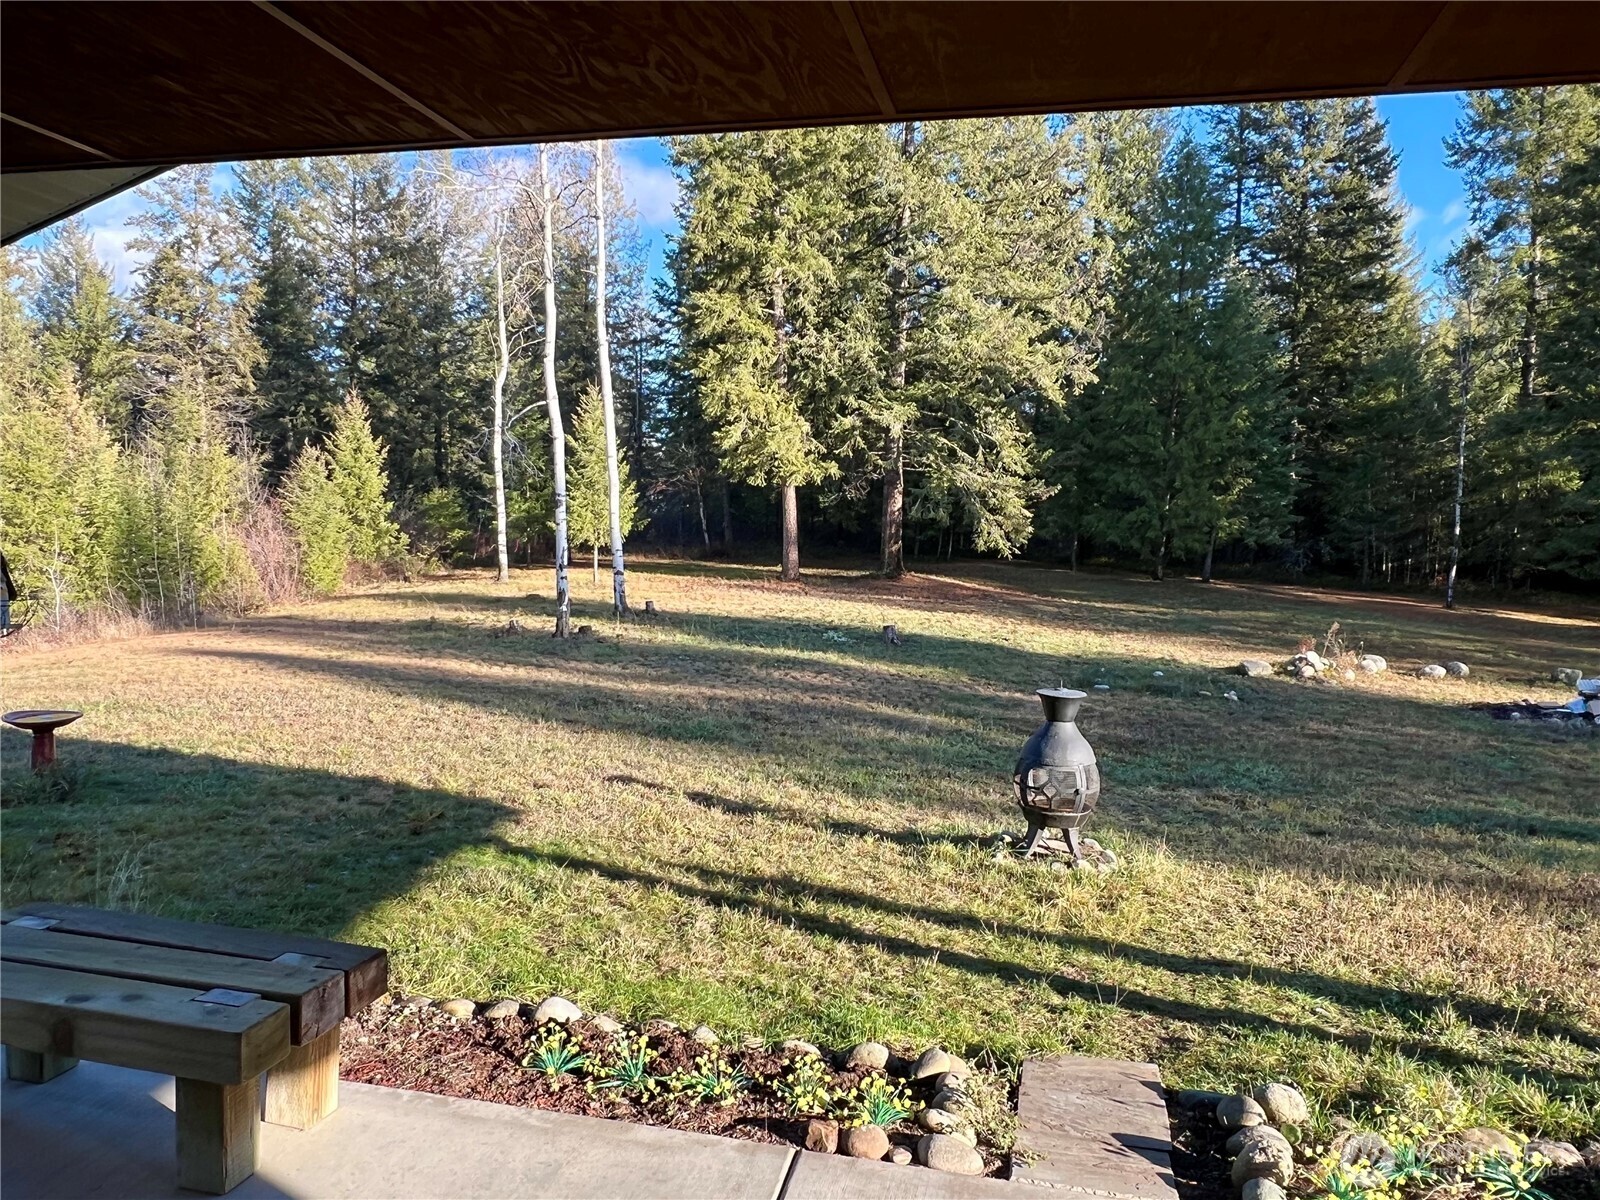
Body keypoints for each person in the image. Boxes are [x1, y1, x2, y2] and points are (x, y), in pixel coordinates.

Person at [0, 551, 14, 634]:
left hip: (3, 590)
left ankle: (5, 630)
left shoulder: (2, 569)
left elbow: (5, 579)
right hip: (3, 589)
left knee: (4, 609)